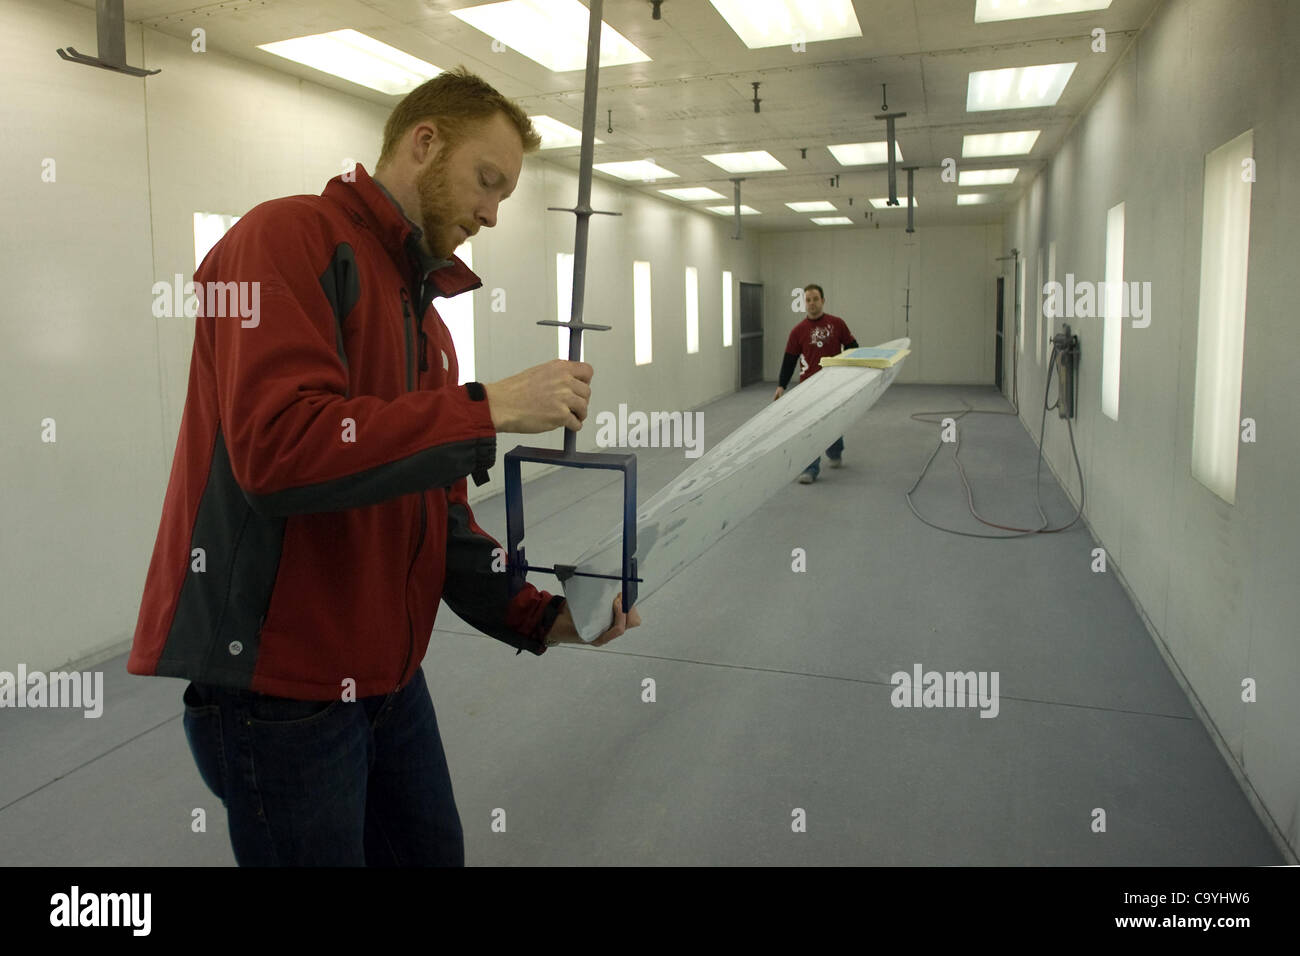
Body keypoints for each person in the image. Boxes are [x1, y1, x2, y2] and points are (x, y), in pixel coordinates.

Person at [127, 66, 640, 866]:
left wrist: (539, 615)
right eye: (487, 181)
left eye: (503, 194)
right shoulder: (285, 239)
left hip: (389, 679)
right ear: (424, 142)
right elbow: (280, 448)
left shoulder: (427, 325)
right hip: (282, 693)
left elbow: (434, 515)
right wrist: (487, 408)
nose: (492, 214)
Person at [772, 284, 859, 483]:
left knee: (832, 424)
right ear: (805, 303)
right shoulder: (798, 331)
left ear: (823, 300)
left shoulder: (837, 324)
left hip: (834, 384)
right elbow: (789, 360)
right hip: (808, 386)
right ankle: (810, 468)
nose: (812, 303)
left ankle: (835, 451)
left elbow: (853, 347)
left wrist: (853, 371)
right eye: (808, 300)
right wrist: (781, 385)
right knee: (809, 427)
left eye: (815, 299)